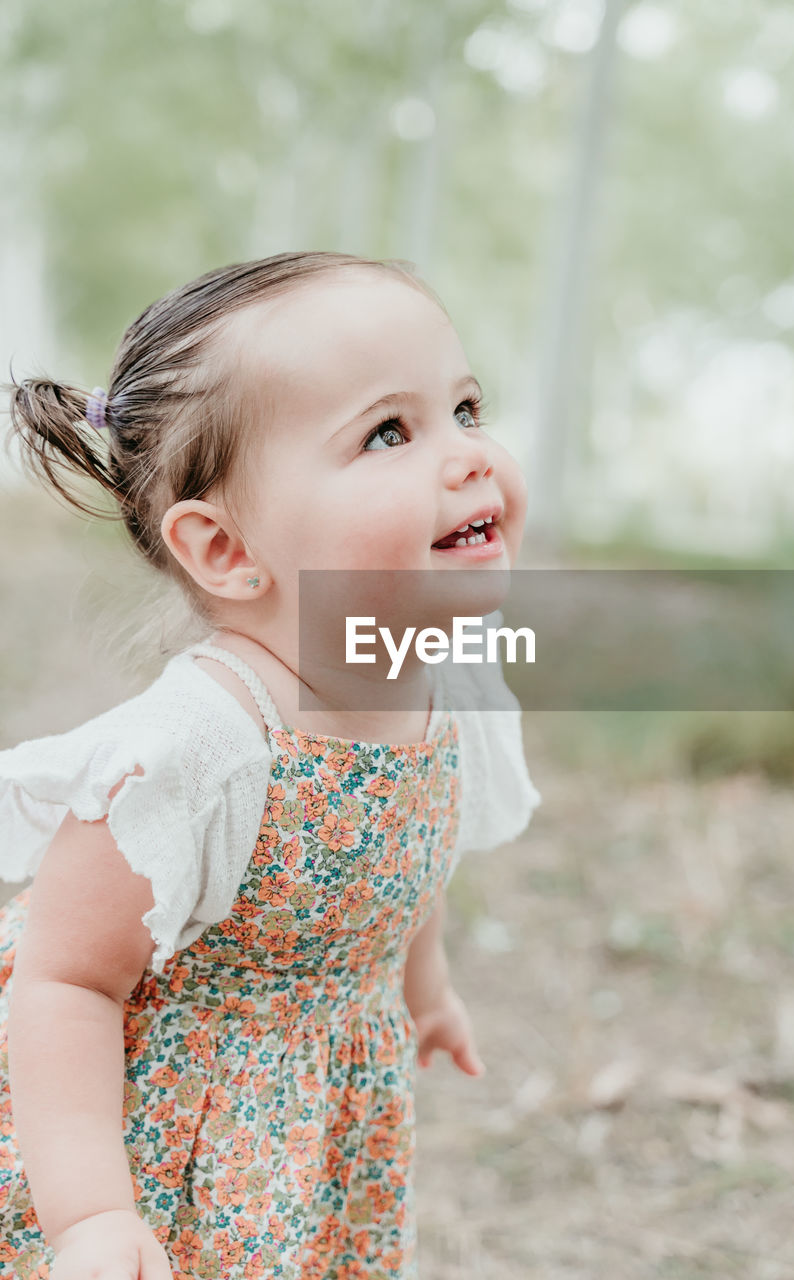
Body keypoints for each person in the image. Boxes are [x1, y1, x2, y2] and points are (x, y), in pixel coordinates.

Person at [0, 250, 541, 1279]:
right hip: (129, 1120)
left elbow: (401, 867)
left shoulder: (448, 683)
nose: (469, 456)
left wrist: (424, 989)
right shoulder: (200, 745)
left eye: (466, 409)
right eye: (389, 431)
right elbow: (63, 979)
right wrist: (89, 1217)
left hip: (304, 1115)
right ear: (224, 549)